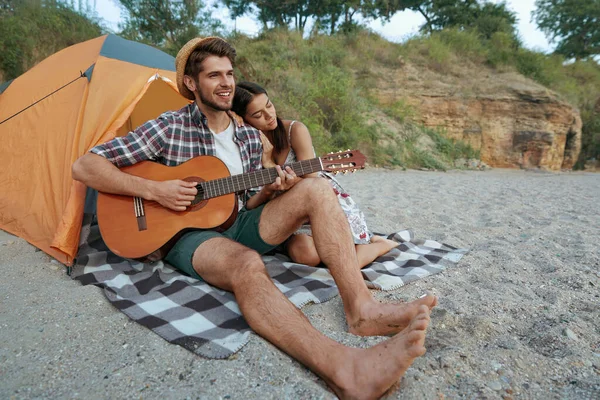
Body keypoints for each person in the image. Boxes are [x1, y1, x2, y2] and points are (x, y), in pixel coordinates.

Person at [72, 36, 438, 400]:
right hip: (185, 235)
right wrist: (155, 191)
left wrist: (270, 192)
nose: (226, 82)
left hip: (238, 222)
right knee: (246, 264)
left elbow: (245, 204)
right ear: (190, 82)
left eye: (229, 73)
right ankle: (345, 369)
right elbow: (85, 165)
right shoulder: (169, 126)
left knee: (316, 189)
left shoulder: (248, 136)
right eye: (214, 75)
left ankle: (363, 310)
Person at [231, 81, 399, 268]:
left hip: (321, 203)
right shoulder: (246, 145)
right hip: (287, 214)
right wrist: (268, 185)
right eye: (257, 115)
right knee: (306, 256)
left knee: (339, 262)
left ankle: (378, 245)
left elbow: (313, 182)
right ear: (243, 120)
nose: (269, 115)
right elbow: (249, 203)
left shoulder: (294, 130)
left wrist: (271, 164)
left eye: (269, 105)